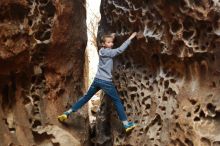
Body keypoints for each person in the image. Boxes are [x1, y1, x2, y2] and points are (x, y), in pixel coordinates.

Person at [58, 32, 137, 132]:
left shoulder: (102, 51)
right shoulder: (109, 52)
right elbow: (120, 50)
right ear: (104, 44)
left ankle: (67, 113)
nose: (111, 44)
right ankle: (126, 125)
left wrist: (111, 37)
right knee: (117, 101)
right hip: (106, 82)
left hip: (97, 80)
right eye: (109, 43)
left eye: (111, 42)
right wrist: (130, 38)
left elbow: (108, 42)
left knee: (86, 98)